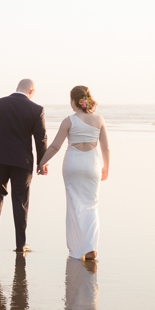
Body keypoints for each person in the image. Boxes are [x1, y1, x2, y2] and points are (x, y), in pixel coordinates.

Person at [39, 86, 111, 268]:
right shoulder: (99, 120)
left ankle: (76, 250)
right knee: (92, 206)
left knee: (74, 206)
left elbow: (55, 146)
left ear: (73, 101)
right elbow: (106, 148)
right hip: (92, 165)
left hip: (72, 164)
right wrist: (106, 168)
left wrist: (42, 162)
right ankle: (90, 247)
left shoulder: (69, 121)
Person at [0, 78, 49, 253]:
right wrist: (42, 162)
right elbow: (41, 138)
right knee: (20, 200)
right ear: (31, 91)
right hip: (22, 162)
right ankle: (20, 244)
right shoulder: (36, 109)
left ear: (17, 88)